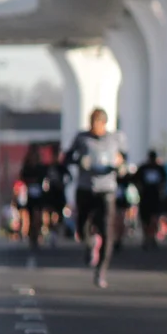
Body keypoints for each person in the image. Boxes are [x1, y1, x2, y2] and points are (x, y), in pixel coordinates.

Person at [64, 108, 129, 289]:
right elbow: (67, 158)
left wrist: (120, 163)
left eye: (97, 123)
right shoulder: (82, 138)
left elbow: (124, 159)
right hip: (85, 188)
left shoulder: (115, 139)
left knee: (107, 230)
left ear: (104, 124)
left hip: (106, 189)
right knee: (82, 225)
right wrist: (79, 160)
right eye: (91, 122)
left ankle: (101, 271)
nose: (94, 126)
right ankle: (89, 243)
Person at [19, 143, 50, 251]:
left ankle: (37, 234)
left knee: (38, 216)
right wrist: (30, 181)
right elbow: (22, 177)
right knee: (31, 216)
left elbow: (46, 177)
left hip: (39, 195)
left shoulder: (41, 167)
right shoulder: (27, 167)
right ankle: (32, 236)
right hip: (30, 195)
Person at [134, 150, 167, 250]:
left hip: (155, 198)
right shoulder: (143, 168)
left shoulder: (159, 169)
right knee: (145, 220)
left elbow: (164, 182)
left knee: (154, 219)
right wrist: (140, 190)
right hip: (145, 198)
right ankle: (146, 238)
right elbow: (136, 180)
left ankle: (152, 237)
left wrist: (161, 192)